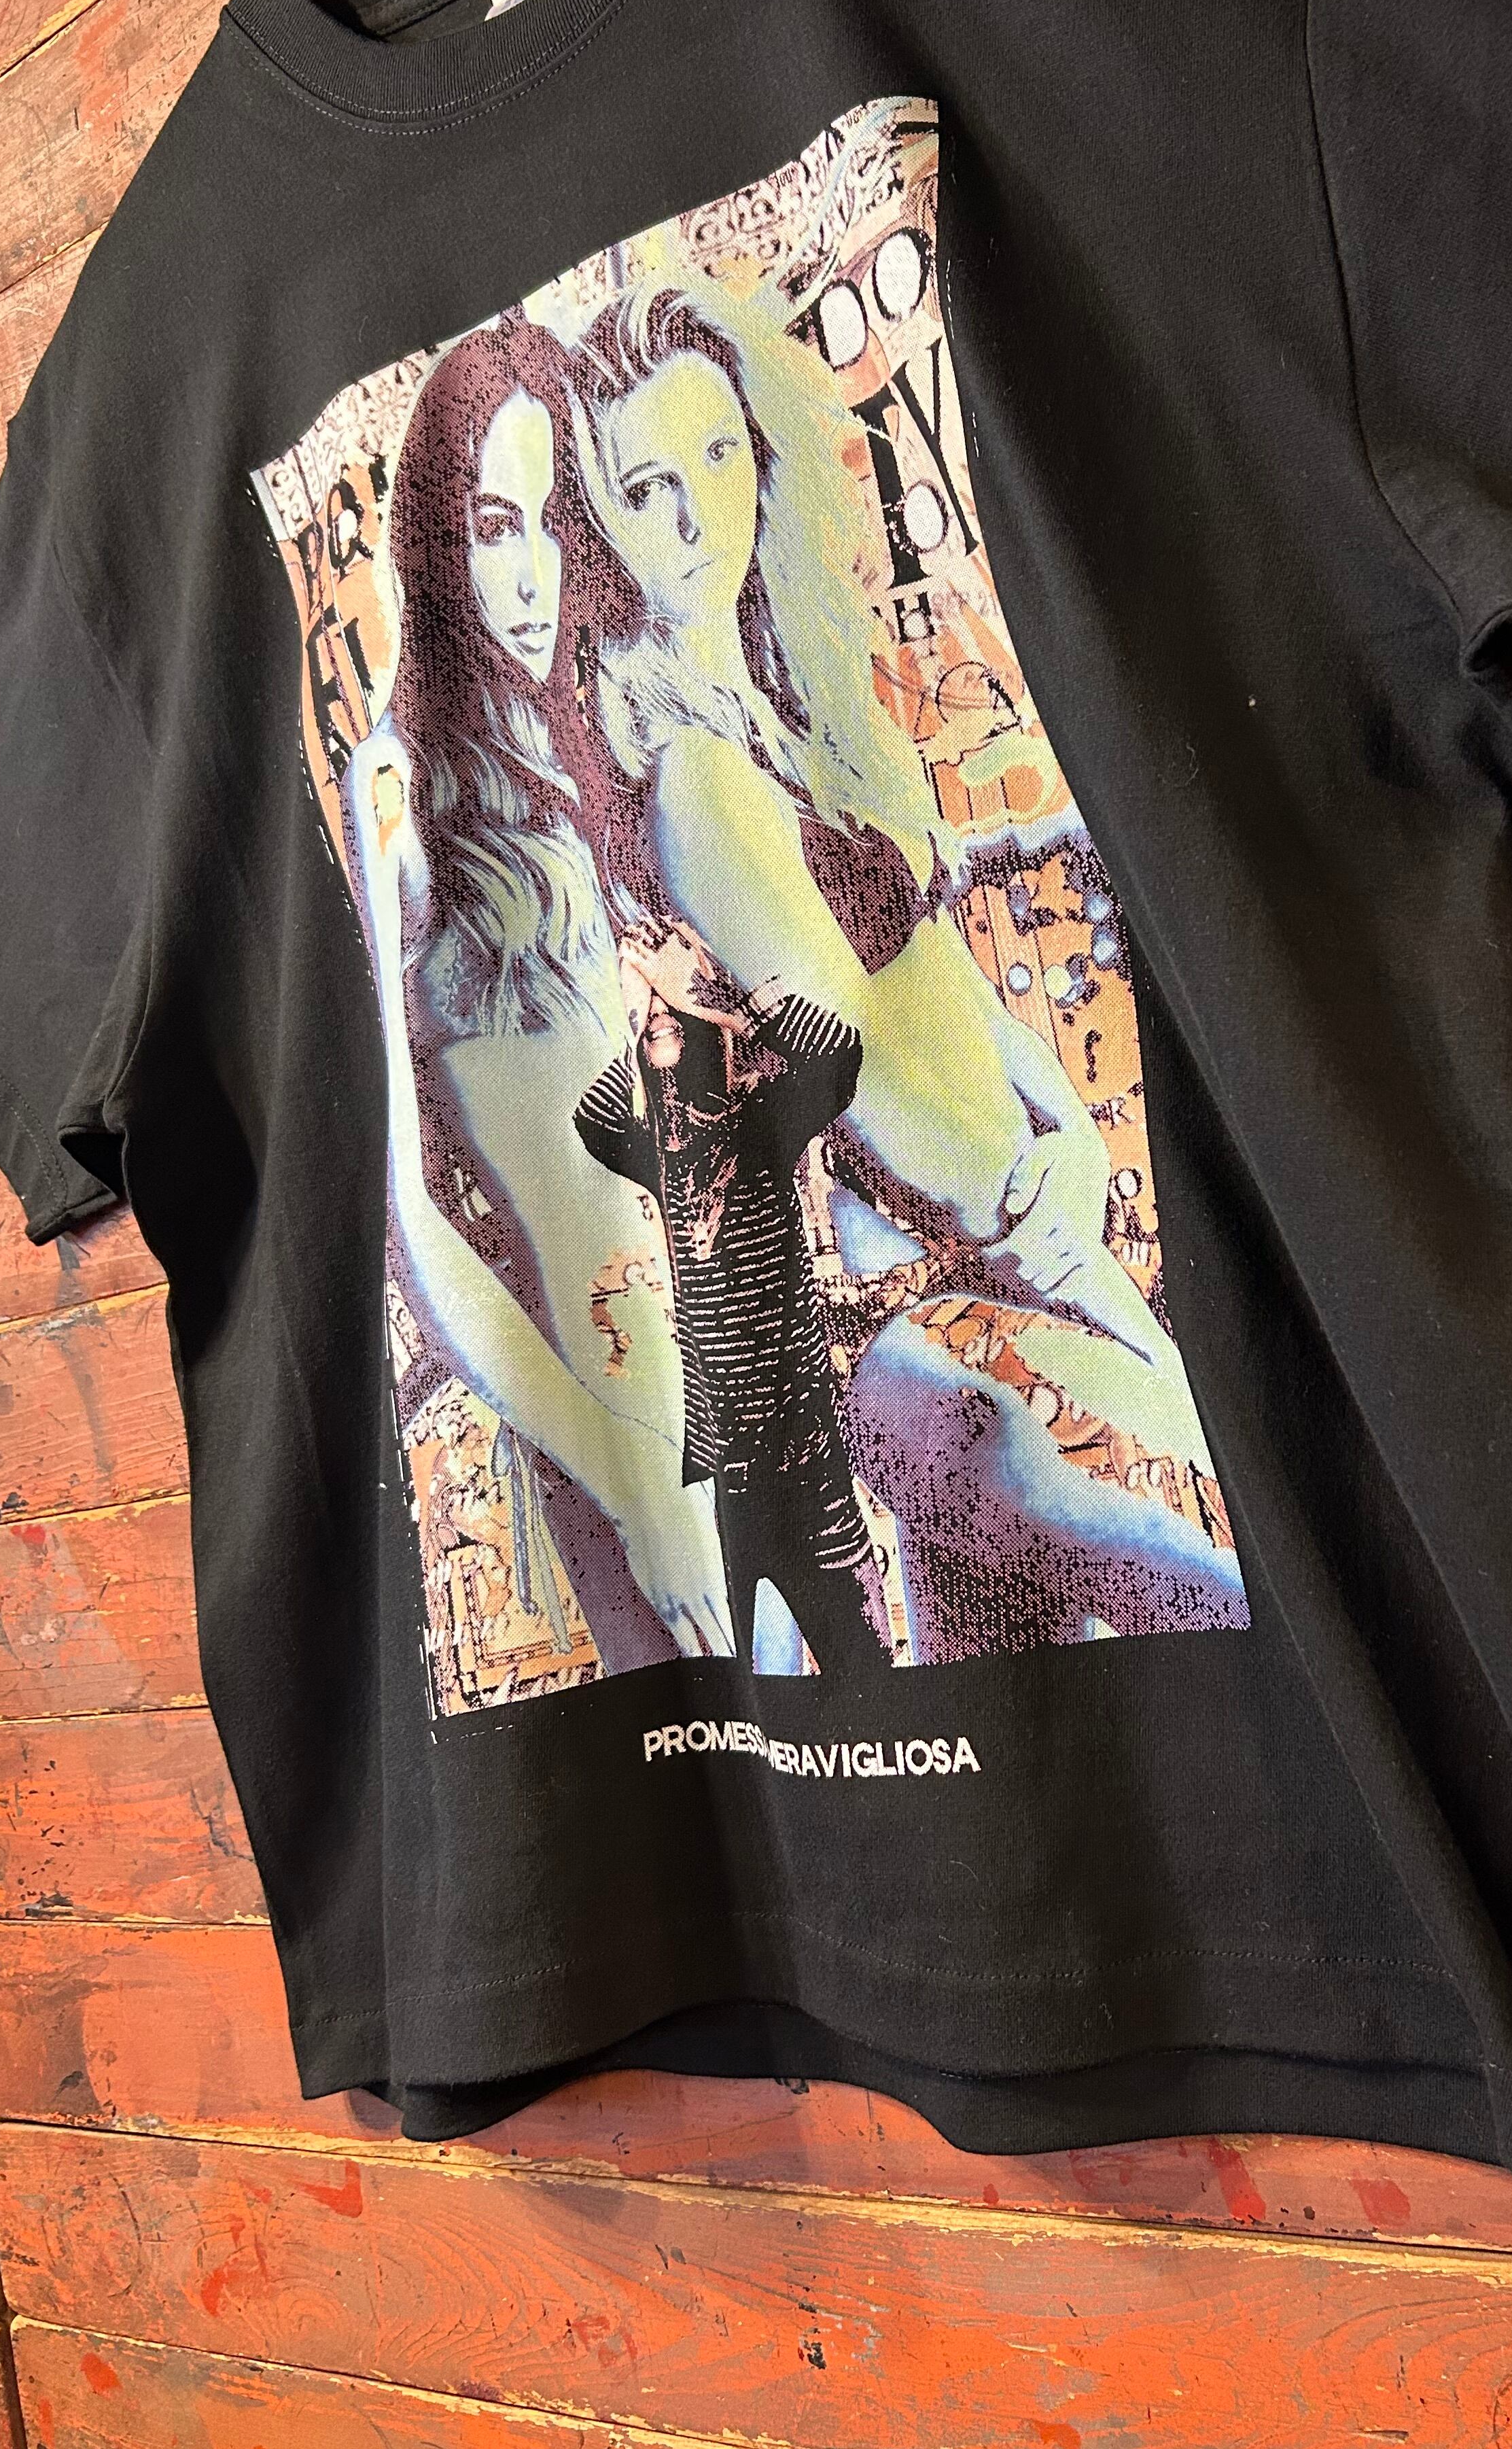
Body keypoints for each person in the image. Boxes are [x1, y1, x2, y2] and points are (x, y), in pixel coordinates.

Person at [561, 277, 1250, 1658]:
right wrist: (1059, 1251)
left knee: (1033, 1709)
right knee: (1238, 1595)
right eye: (645, 488)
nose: (695, 518)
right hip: (929, 1307)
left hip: (985, 1267)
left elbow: (945, 974)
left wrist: (1069, 1145)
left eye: (714, 454)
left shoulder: (779, 707)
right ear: (601, 523)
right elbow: (857, 1072)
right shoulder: (694, 773)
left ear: (758, 451)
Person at [339, 311, 735, 1669]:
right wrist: (631, 1485)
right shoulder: (399, 792)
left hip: (738, 1394)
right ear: (434, 544)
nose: (531, 575)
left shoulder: (592, 734)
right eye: (492, 526)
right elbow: (412, 1226)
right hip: (615, 1451)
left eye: (555, 521)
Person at [574, 925, 893, 1682]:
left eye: (669, 1003)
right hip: (721, 1485)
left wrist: (722, 996)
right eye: (646, 1006)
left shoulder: (761, 1117)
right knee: (738, 1699)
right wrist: (632, 1010)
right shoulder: (654, 1148)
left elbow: (838, 1057)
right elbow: (594, 1119)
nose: (659, 1010)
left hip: (808, 1468)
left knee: (870, 1681)